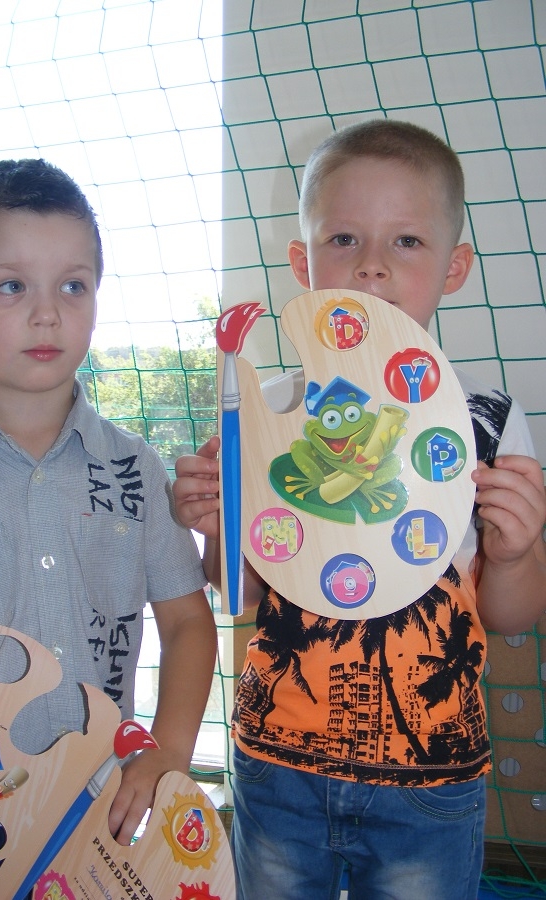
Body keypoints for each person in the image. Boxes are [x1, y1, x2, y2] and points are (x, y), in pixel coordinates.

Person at [172, 120, 546, 900]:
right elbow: (239, 593)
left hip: (429, 775)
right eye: (343, 238)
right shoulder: (271, 410)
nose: (372, 264)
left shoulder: (485, 422)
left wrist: (514, 552)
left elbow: (509, 616)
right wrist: (218, 527)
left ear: (454, 268)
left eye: (406, 241)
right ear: (303, 264)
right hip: (278, 763)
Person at [0, 159, 217, 875]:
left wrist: (168, 751)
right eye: (12, 286)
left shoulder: (136, 467)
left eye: (73, 285)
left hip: (100, 816)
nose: (48, 314)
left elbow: (188, 624)